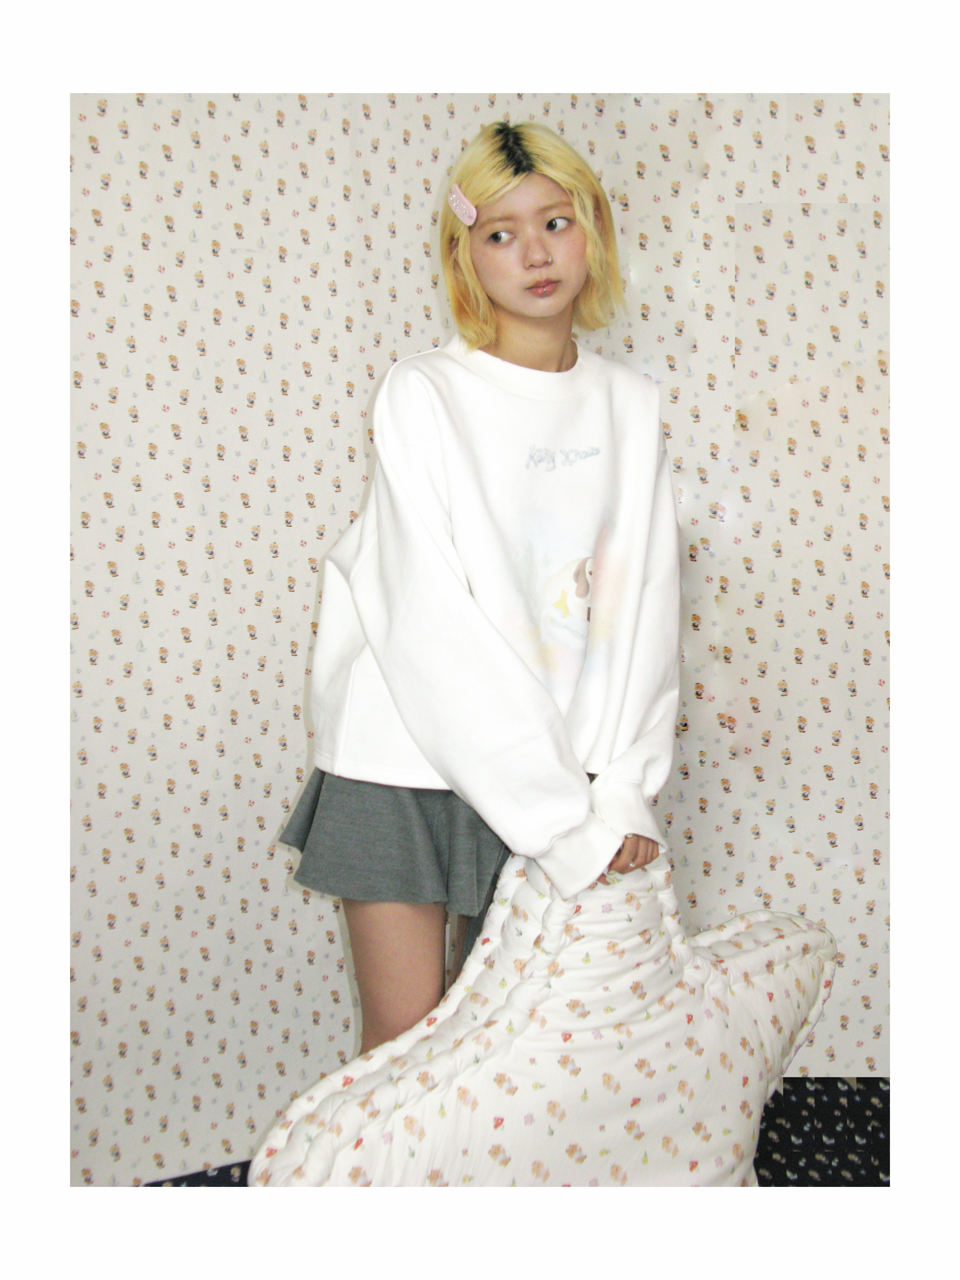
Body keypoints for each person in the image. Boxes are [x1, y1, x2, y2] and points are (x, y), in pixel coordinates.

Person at [278, 120, 681, 1056]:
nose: (534, 254)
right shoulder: (422, 393)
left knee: (517, 1046)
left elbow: (644, 610)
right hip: (405, 757)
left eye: (555, 222)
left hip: (559, 773)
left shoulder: (630, 405)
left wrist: (621, 790)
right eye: (500, 233)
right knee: (405, 1041)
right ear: (466, 255)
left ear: (593, 229)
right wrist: (561, 817)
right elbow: (425, 616)